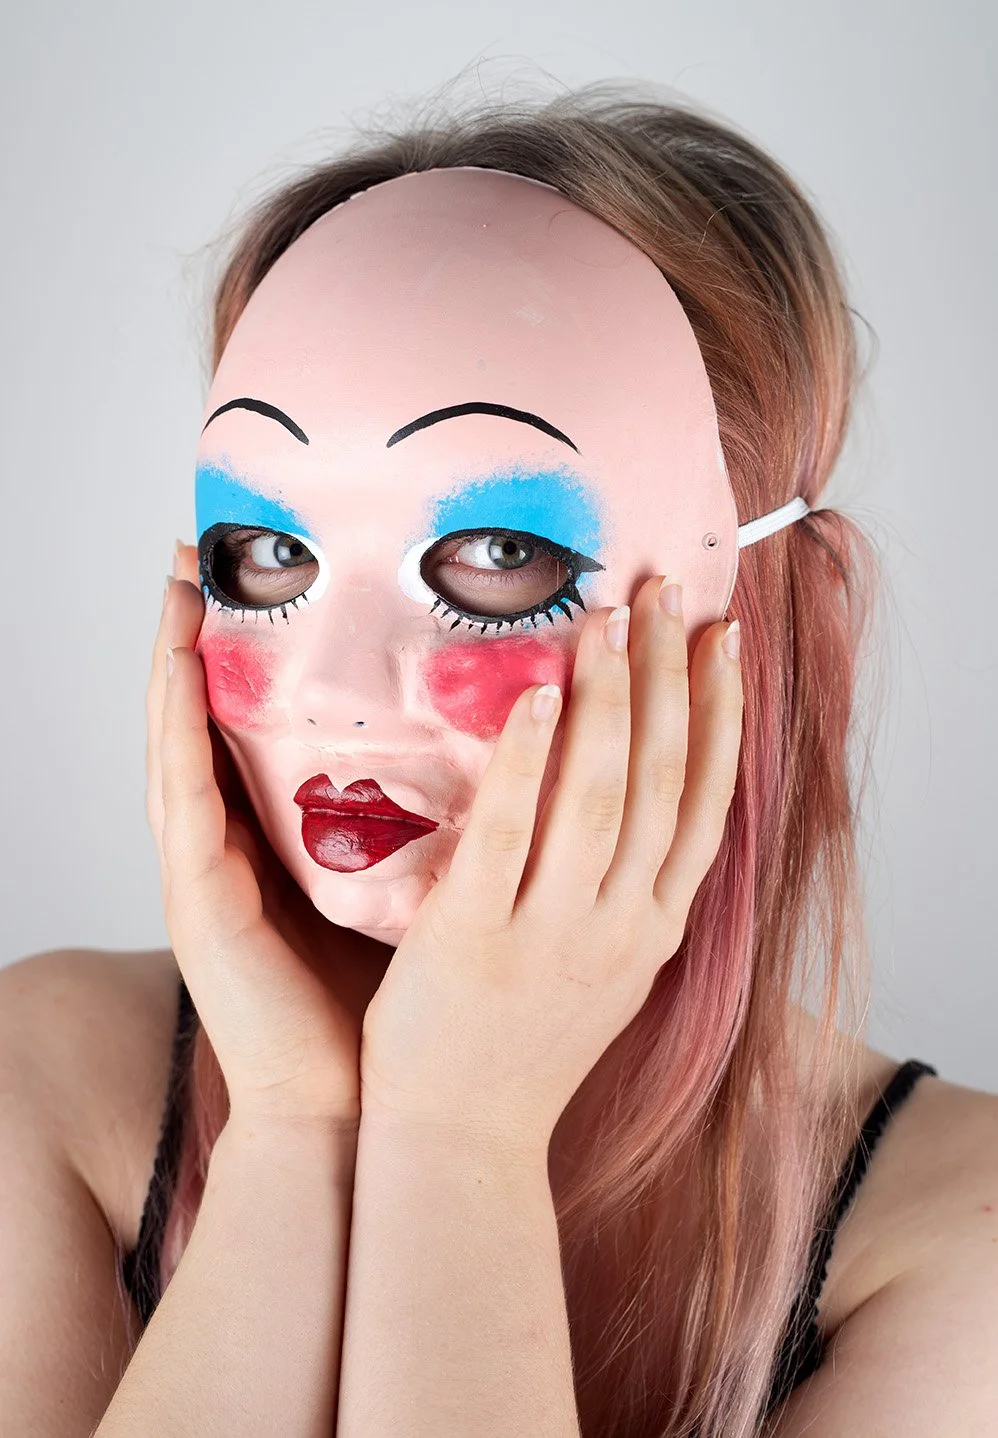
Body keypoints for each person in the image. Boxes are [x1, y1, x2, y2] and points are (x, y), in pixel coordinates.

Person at [2, 83, 996, 1438]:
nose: (333, 688)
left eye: (499, 554)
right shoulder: (46, 1078)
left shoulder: (958, 1242)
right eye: (269, 552)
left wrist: (455, 1139)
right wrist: (291, 1132)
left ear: (764, 620)